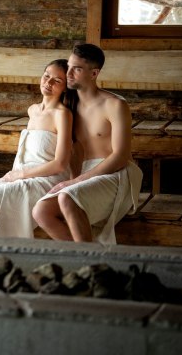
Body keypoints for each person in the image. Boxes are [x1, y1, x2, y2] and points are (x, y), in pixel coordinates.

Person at [32, 43, 142, 244]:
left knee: (67, 197)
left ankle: (88, 262)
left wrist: (74, 183)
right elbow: (75, 150)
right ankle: (87, 259)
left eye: (77, 69)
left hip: (116, 174)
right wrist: (74, 179)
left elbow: (121, 156)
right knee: (41, 211)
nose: (69, 73)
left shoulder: (115, 105)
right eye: (69, 66)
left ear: (94, 73)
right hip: (85, 174)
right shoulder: (69, 106)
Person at [0, 59, 73, 238]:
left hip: (47, 178)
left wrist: (20, 175)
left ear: (66, 87)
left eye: (57, 81)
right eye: (46, 76)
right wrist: (17, 174)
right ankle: (1, 250)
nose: (48, 83)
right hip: (22, 173)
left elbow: (60, 164)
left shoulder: (62, 115)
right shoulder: (33, 110)